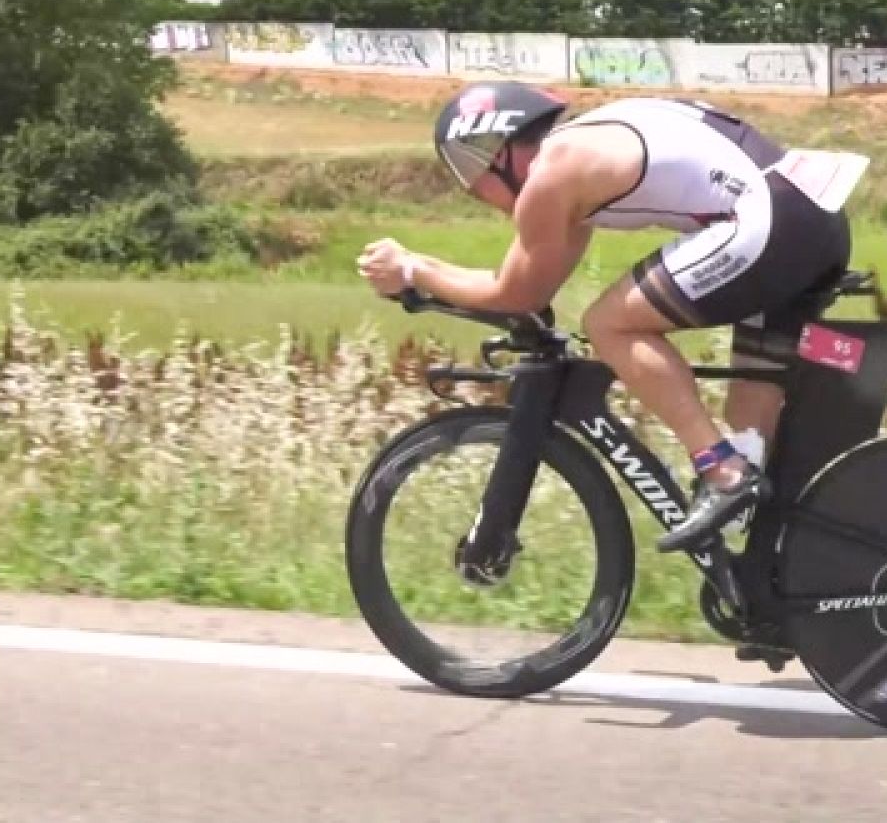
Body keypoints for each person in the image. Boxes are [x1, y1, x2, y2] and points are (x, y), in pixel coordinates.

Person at [356, 82, 857, 553]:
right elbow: (532, 286)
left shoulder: (553, 174)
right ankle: (773, 575)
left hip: (769, 221)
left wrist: (413, 268)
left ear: (497, 153)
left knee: (610, 324)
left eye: (470, 175)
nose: (477, 193)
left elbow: (517, 294)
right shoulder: (583, 153)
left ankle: (720, 470)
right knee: (753, 421)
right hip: (810, 211)